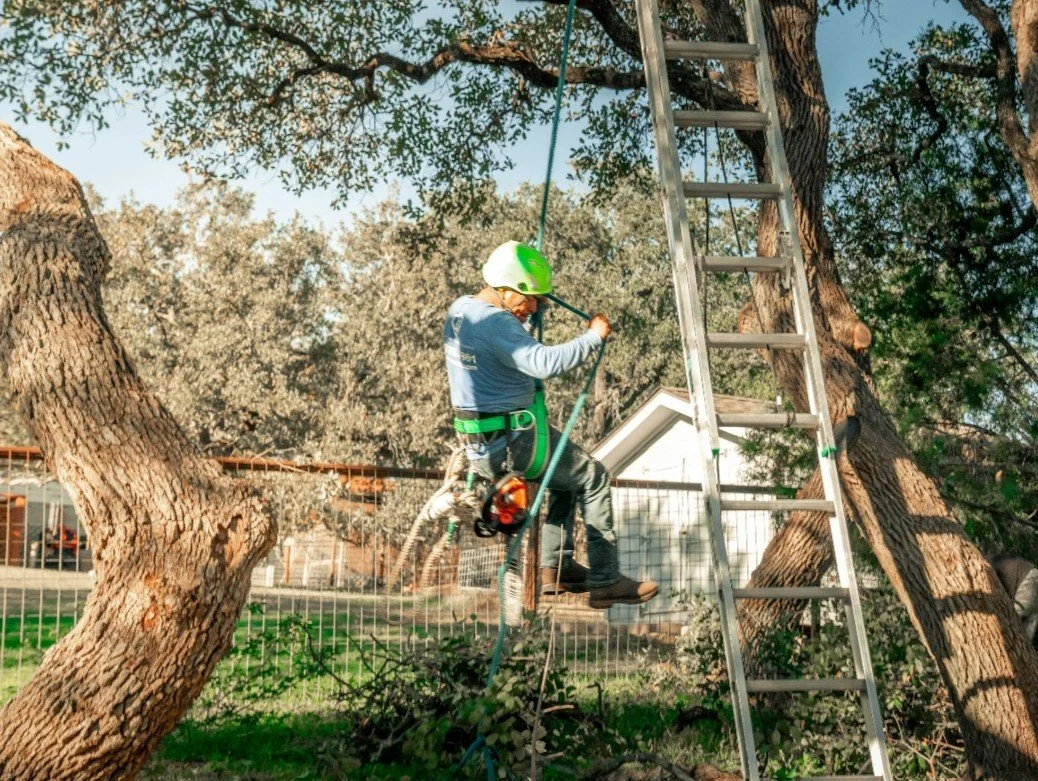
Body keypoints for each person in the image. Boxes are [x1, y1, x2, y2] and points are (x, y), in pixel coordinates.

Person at [443, 240, 658, 609]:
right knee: (593, 477)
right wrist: (594, 336)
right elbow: (543, 363)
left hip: (483, 442)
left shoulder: (460, 310)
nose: (532, 309)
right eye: (529, 299)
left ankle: (555, 569)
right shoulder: (498, 323)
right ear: (506, 289)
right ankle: (606, 580)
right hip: (514, 441)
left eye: (540, 301)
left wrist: (528, 313)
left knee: (565, 483)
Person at [988, 553, 1038, 645]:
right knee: (1026, 637)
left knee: (1011, 624)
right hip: (1031, 574)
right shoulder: (991, 559)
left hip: (1026, 580)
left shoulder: (985, 564)